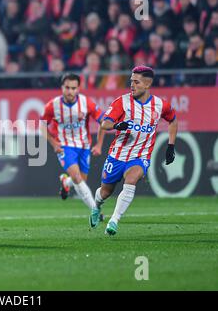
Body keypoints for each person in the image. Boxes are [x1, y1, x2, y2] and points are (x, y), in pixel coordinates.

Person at [94, 66, 178, 235]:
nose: (131, 85)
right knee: (105, 192)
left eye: (136, 82)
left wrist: (171, 145)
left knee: (131, 179)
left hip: (140, 156)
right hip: (117, 155)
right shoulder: (122, 102)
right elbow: (104, 123)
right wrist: (117, 125)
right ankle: (96, 206)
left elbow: (173, 120)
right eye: (131, 81)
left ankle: (114, 220)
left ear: (147, 84)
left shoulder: (160, 105)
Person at [40, 73, 105, 225]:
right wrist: (54, 143)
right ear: (62, 88)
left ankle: (65, 182)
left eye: (73, 88)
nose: (70, 91)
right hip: (64, 145)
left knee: (80, 180)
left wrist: (99, 144)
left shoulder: (86, 103)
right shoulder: (53, 105)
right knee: (77, 177)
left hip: (83, 146)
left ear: (78, 89)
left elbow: (104, 121)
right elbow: (42, 125)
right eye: (67, 88)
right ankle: (96, 211)